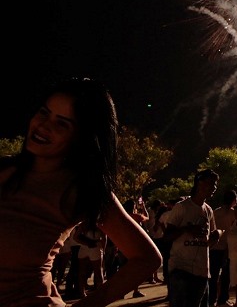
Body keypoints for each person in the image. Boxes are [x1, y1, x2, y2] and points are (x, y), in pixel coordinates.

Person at [0, 76, 162, 306]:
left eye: (62, 123)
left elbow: (146, 258)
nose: (43, 126)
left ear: (82, 137)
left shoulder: (81, 189)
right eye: (44, 113)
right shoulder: (5, 169)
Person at [164, 168, 223, 307]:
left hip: (201, 271)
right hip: (181, 270)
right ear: (200, 183)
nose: (214, 187)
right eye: (211, 183)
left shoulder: (208, 210)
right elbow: (167, 236)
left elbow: (208, 243)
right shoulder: (182, 207)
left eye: (215, 184)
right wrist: (187, 229)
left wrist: (217, 234)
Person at [210, 189, 237, 307]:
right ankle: (222, 300)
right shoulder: (234, 213)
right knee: (226, 276)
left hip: (214, 247)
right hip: (228, 248)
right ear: (234, 200)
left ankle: (211, 299)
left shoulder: (215, 212)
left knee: (213, 275)